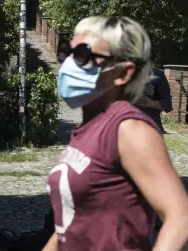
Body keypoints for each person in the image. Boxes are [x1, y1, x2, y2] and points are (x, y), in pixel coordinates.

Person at [44, 16, 188, 251]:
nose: (69, 64)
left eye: (83, 55)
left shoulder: (128, 128)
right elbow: (71, 225)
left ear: (122, 73)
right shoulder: (89, 128)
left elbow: (180, 217)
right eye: (66, 52)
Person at [136, 67, 173, 133]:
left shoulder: (157, 74)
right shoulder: (120, 73)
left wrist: (150, 103)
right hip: (125, 126)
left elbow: (168, 105)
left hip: (152, 127)